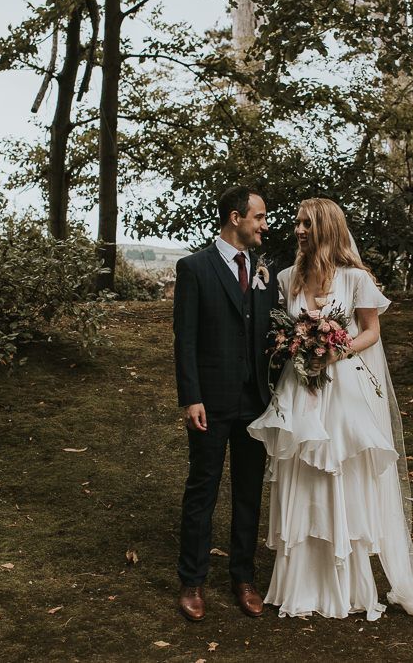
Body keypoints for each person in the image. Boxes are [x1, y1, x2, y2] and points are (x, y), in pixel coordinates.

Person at [247, 198, 413, 620]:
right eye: (297, 223)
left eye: (307, 224)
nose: (298, 230)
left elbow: (372, 331)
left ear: (326, 229)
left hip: (342, 391)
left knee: (340, 476)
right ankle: (299, 581)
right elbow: (278, 325)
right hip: (299, 391)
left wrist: (336, 351)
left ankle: (348, 582)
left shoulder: (356, 279)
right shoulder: (286, 278)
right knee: (301, 475)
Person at [173, 186, 279, 621]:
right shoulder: (194, 267)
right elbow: (187, 339)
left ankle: (243, 577)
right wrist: (191, 396)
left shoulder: (263, 270)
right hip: (210, 402)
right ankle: (192, 581)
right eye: (259, 217)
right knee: (203, 489)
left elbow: (269, 332)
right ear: (236, 218)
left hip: (255, 400)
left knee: (249, 493)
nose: (264, 225)